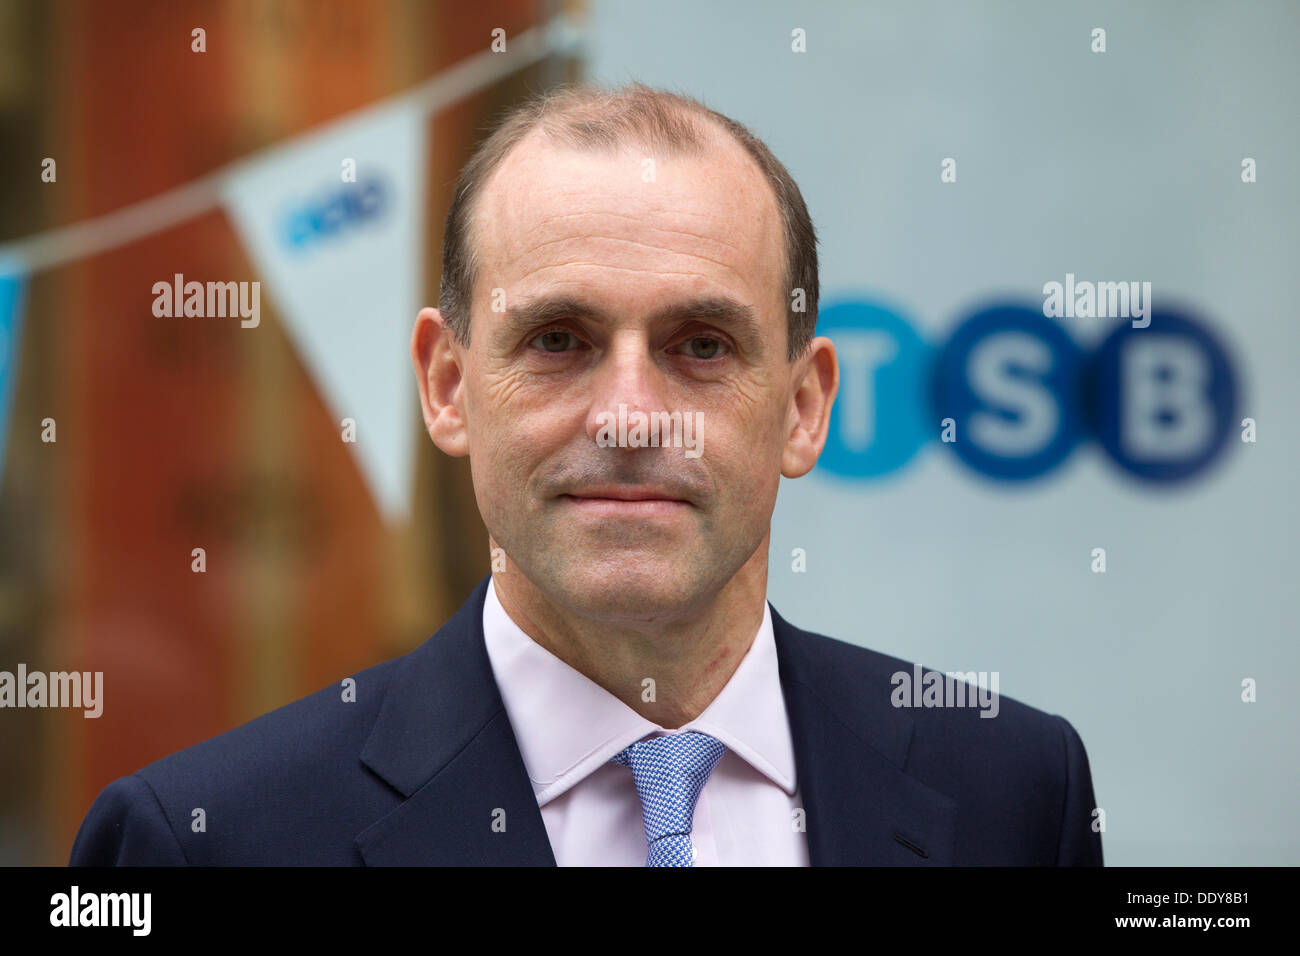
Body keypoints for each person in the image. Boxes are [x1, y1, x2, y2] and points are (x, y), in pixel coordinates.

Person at [70, 82, 1102, 866]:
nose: (627, 416)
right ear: (446, 384)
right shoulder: (206, 841)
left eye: (701, 344)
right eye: (558, 338)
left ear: (802, 406)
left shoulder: (1013, 790)